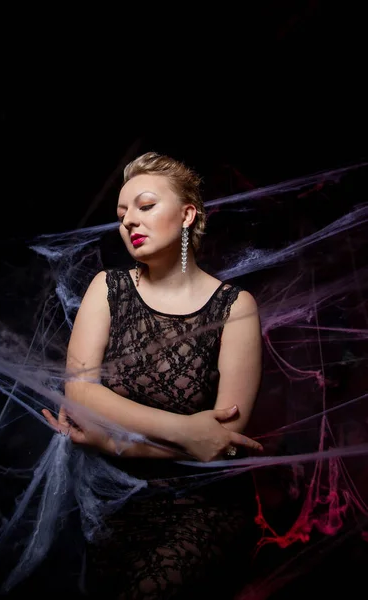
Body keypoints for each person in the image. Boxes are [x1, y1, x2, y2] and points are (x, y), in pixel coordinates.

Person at [42, 151, 264, 599]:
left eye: (144, 206)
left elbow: (222, 440)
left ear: (186, 214)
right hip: (116, 503)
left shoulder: (236, 307)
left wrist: (114, 436)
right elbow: (80, 395)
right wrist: (182, 429)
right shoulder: (107, 289)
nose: (129, 222)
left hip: (202, 505)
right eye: (122, 214)